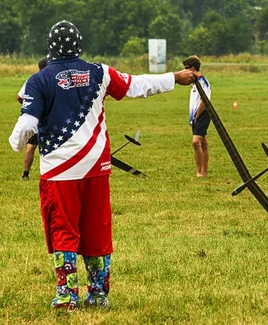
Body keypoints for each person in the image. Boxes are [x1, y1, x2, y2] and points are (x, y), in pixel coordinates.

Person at [8, 20, 197, 310]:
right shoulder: (100, 72)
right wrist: (176, 77)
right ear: (80, 45)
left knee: (64, 230)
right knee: (97, 230)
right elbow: (138, 85)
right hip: (96, 167)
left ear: (50, 47)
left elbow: (27, 124)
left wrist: (16, 143)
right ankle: (97, 294)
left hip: (59, 172)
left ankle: (67, 295)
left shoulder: (40, 79)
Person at [16, 56, 49, 180]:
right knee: (51, 145)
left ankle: (25, 174)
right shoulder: (53, 78)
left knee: (31, 146)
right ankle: (48, 173)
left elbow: (19, 97)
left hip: (33, 117)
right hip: (48, 117)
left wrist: (30, 106)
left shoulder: (32, 79)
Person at [183, 55, 211, 177]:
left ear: (193, 68)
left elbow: (204, 101)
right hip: (195, 116)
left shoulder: (202, 82)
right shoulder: (194, 83)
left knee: (196, 142)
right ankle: (203, 171)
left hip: (202, 114)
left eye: (186, 69)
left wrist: (196, 116)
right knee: (203, 142)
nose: (184, 71)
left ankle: (200, 172)